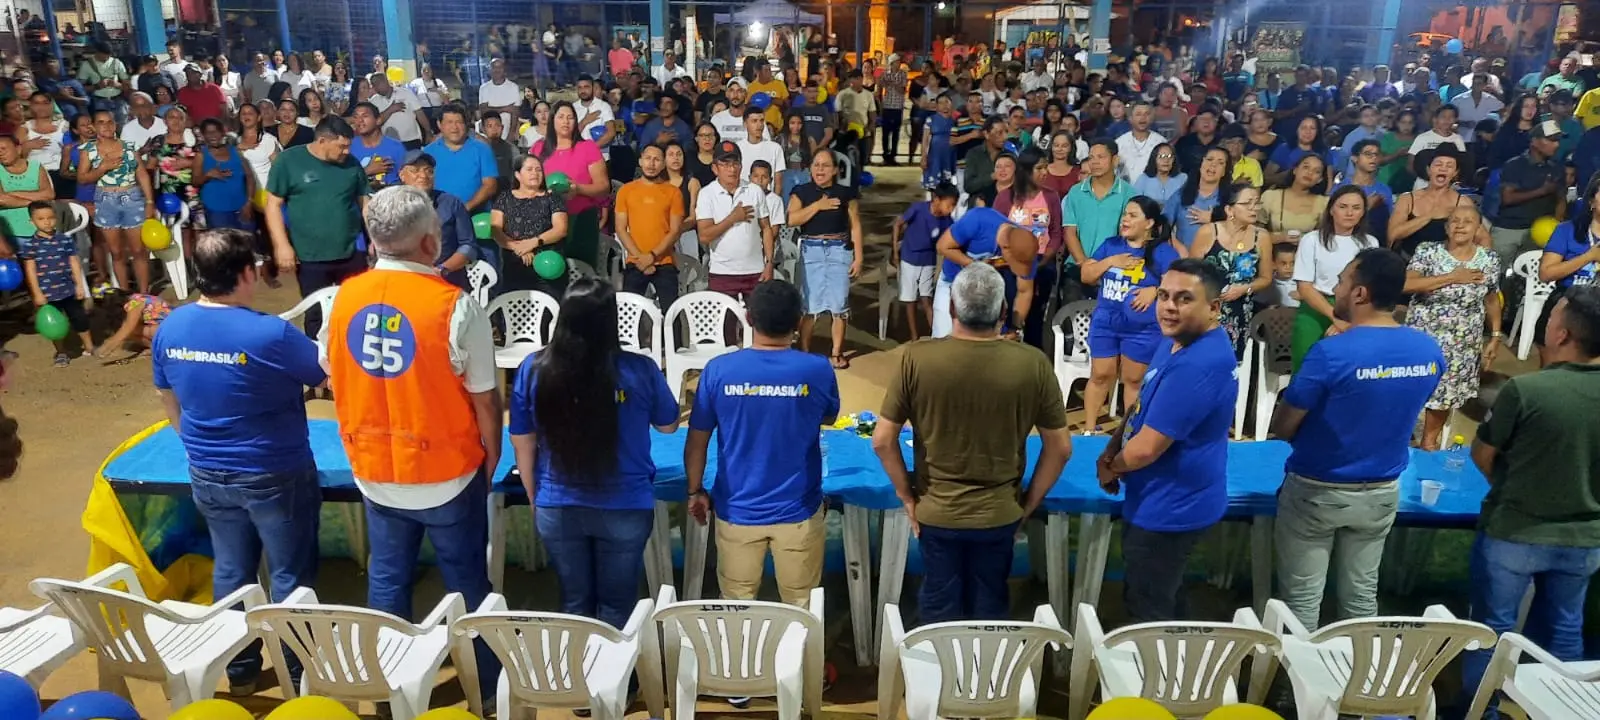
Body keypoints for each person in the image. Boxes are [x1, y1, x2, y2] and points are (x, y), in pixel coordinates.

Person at [325, 186, 501, 701]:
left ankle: (387, 689)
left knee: (387, 580)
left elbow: (331, 370)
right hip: (447, 472)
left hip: (373, 469)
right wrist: (491, 457)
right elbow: (486, 399)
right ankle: (487, 688)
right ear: (429, 242)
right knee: (468, 585)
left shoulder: (341, 299)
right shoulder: (455, 306)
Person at [151, 228, 326, 693]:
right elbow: (322, 373)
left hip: (208, 470)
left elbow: (167, 397)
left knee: (231, 570)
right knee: (290, 576)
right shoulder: (271, 333)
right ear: (246, 273)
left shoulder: (171, 326)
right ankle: (298, 673)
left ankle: (241, 671)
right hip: (273, 470)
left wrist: (196, 444)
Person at [871, 262, 1072, 621]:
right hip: (1000, 513)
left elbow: (883, 441)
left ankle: (940, 659)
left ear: (951, 307)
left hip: (936, 511)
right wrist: (1027, 506)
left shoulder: (917, 357)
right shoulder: (1033, 364)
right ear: (1003, 311)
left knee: (939, 607)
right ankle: (986, 659)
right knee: (989, 606)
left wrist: (908, 497)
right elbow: (1060, 448)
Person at [1269, 246, 1444, 630]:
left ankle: (1296, 670)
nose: (1336, 289)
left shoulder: (1331, 353)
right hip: (1382, 489)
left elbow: (1283, 426)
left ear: (1360, 293)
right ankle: (1360, 667)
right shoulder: (1428, 350)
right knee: (1362, 595)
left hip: (1318, 487)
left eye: (1342, 281)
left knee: (1302, 600)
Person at [1459, 286, 1600, 714]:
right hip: (1584, 538)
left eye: (1553, 316)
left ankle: (1481, 712)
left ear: (1562, 335)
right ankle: (1558, 709)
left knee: (1492, 632)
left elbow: (1483, 455)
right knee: (1564, 630)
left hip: (1514, 531)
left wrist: (1515, 486)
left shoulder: (1526, 391)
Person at [509, 277, 678, 635]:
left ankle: (578, 668)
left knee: (574, 603)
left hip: (557, 504)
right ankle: (615, 670)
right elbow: (668, 425)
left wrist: (534, 496)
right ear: (611, 320)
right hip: (625, 506)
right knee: (617, 607)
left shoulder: (534, 369)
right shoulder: (640, 370)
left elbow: (522, 441)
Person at [685, 279, 839, 612]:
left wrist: (695, 491)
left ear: (748, 318)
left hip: (736, 512)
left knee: (736, 609)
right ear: (798, 321)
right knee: (801, 608)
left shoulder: (718, 370)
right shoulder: (817, 369)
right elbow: (828, 416)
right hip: (798, 512)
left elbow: (697, 441)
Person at [1098, 258, 1238, 623]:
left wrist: (1113, 468)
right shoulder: (1176, 341)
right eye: (1163, 295)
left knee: (1150, 610)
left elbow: (1146, 449)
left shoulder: (1198, 363)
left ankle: (1159, 660)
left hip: (1170, 507)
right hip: (1161, 496)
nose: (1169, 306)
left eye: (1184, 298)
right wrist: (1111, 448)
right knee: (1163, 593)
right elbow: (1142, 403)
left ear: (1214, 307)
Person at [1403, 205, 1502, 449]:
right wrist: (1452, 277)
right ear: (1446, 227)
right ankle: (1400, 436)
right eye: (1455, 221)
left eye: (1467, 221)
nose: (1460, 225)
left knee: (1445, 394)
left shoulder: (1490, 259)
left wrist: (1495, 335)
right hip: (1423, 336)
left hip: (1462, 343)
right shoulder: (1428, 251)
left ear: (1478, 229)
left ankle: (1429, 443)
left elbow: (1491, 298)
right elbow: (1406, 284)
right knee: (1410, 388)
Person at [1081, 195, 1182, 430]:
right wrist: (1110, 261)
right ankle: (1088, 431)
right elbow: (1086, 275)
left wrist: (1155, 291)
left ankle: (1129, 434)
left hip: (1142, 328)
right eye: (1125, 214)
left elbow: (1179, 285)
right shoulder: (1111, 245)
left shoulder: (1163, 252)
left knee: (1134, 380)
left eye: (1133, 215)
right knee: (1100, 375)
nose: (1125, 219)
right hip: (1106, 322)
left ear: (1149, 223)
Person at [265, 117, 371, 339]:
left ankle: (352, 351)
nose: (346, 152)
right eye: (342, 146)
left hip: (352, 251)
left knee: (356, 309)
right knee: (315, 313)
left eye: (349, 146)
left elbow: (364, 203)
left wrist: (375, 239)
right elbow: (273, 205)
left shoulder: (351, 163)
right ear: (322, 141)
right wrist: (282, 245)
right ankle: (318, 356)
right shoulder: (288, 161)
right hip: (310, 255)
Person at [1293, 185, 1380, 370]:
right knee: (1307, 366)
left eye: (1356, 208)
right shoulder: (1312, 240)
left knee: (1347, 367)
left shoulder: (1370, 243)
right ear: (1331, 209)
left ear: (1363, 212)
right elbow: (1304, 287)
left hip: (1355, 311)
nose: (1349, 213)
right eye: (1343, 207)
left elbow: (1370, 286)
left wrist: (1348, 319)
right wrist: (1335, 317)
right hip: (1316, 308)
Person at [932, 205, 1038, 339]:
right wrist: (977, 266)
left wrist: (1015, 328)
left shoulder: (1026, 247)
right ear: (1005, 248)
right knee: (944, 337)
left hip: (988, 292)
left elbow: (1024, 291)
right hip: (952, 282)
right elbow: (942, 246)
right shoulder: (978, 220)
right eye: (1013, 262)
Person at [1190, 183, 1271, 355]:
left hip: (1240, 313)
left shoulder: (1262, 237)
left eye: (1256, 203)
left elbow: (1266, 278)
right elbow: (1190, 273)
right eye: (1247, 203)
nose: (1254, 208)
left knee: (1231, 362)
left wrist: (1244, 288)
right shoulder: (1209, 232)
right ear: (1229, 209)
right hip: (1207, 311)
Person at [79, 109, 155, 292]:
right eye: (101, 122)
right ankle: (125, 293)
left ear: (115, 124)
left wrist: (149, 202)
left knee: (138, 250)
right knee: (116, 252)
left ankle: (144, 294)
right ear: (93, 126)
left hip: (132, 198)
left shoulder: (129, 146)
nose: (106, 126)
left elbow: (142, 174)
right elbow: (82, 179)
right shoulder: (88, 150)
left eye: (110, 122)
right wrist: (102, 168)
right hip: (105, 200)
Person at [532, 102, 610, 269]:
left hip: (582, 219)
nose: (566, 121)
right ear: (552, 120)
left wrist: (578, 189)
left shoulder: (588, 148)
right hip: (547, 219)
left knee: (583, 271)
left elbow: (603, 186)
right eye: (561, 117)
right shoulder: (538, 149)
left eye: (570, 117)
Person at [696, 140, 774, 307]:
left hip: (755, 271)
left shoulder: (754, 191)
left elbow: (766, 228)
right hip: (722, 272)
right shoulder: (706, 194)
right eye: (725, 164)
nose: (731, 169)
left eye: (735, 164)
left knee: (758, 318)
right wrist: (732, 218)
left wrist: (769, 262)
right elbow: (704, 236)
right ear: (715, 168)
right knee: (724, 321)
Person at [20, 202, 93, 365]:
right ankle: (61, 352)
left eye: (50, 218)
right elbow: (30, 271)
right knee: (54, 324)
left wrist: (79, 285)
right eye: (41, 219)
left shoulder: (65, 240)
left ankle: (89, 346)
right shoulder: (30, 245)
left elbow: (74, 262)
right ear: (32, 222)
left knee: (80, 318)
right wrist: (37, 293)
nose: (47, 222)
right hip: (47, 294)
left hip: (68, 289)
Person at [615, 143, 685, 309]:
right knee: (629, 315)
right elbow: (620, 229)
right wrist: (641, 258)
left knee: (671, 313)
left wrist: (652, 256)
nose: (651, 164)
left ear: (663, 164)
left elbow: (675, 231)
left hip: (664, 261)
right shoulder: (626, 190)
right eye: (648, 158)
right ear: (640, 161)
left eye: (656, 160)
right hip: (635, 261)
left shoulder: (673, 192)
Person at [1489, 120, 1566, 268]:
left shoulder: (1557, 167)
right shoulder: (1515, 165)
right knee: (1497, 272)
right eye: (1551, 140)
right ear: (1534, 141)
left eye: (1558, 140)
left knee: (1532, 277)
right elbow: (1507, 198)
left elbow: (1561, 199)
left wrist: (1557, 225)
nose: (1556, 145)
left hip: (1540, 231)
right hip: (1509, 230)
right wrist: (1542, 191)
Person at [492, 154, 569, 298]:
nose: (535, 173)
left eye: (538, 170)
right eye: (529, 169)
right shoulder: (504, 198)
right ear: (517, 175)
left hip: (548, 266)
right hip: (515, 266)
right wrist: (519, 248)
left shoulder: (552, 198)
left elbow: (560, 229)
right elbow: (496, 230)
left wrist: (533, 243)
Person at [398, 153, 477, 289]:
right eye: (415, 170)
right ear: (402, 175)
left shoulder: (451, 203)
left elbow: (469, 246)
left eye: (429, 171)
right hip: (405, 280)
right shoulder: (392, 205)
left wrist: (441, 270)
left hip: (447, 280)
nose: (423, 176)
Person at [423, 104, 498, 214]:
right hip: (438, 215)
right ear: (439, 125)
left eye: (459, 122)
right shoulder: (428, 152)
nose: (454, 127)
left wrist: (465, 208)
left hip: (476, 214)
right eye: (449, 122)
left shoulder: (482, 149)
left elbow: (490, 185)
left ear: (466, 125)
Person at [192, 118, 254, 232]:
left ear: (222, 133)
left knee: (247, 240)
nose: (212, 135)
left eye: (215, 131)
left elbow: (250, 177)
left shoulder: (236, 152)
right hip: (216, 210)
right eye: (208, 132)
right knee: (223, 242)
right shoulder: (201, 155)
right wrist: (208, 175)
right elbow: (195, 182)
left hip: (241, 207)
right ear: (203, 135)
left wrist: (249, 202)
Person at [1166, 146, 1231, 248]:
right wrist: (1179, 248)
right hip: (1184, 256)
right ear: (1200, 164)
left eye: (1220, 163)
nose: (1213, 164)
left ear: (1224, 172)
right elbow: (1162, 227)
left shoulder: (1230, 198)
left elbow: (1240, 228)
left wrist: (1214, 218)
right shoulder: (1180, 195)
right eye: (1209, 159)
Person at [1260, 154, 1329, 246]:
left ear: (1320, 179)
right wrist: (1279, 238)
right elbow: (1254, 233)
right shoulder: (1271, 196)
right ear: (1295, 170)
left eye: (1317, 171)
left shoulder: (1324, 203)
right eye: (1306, 167)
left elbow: (1325, 238)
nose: (1310, 173)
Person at [349, 102, 405, 190]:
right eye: (356, 117)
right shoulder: (348, 148)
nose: (359, 120)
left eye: (365, 116)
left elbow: (405, 178)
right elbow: (344, 180)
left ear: (378, 120)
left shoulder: (396, 147)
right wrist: (367, 171)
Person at [369, 72, 431, 152]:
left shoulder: (406, 93)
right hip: (388, 143)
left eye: (378, 83)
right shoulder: (374, 101)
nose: (375, 88)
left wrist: (428, 131)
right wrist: (391, 109)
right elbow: (375, 123)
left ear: (385, 81)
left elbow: (419, 113)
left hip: (411, 140)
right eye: (373, 85)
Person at [1115, 101, 1166, 184]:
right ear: (1130, 118)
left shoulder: (1161, 143)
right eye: (1138, 114)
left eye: (1147, 114)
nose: (1143, 118)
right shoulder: (1119, 143)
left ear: (1152, 118)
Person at [476, 59, 520, 141]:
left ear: (504, 69)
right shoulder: (484, 88)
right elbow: (484, 111)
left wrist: (511, 134)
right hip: (488, 136)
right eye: (494, 67)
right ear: (490, 69)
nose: (497, 70)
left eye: (500, 67)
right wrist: (505, 108)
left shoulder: (513, 87)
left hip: (508, 135)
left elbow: (515, 113)